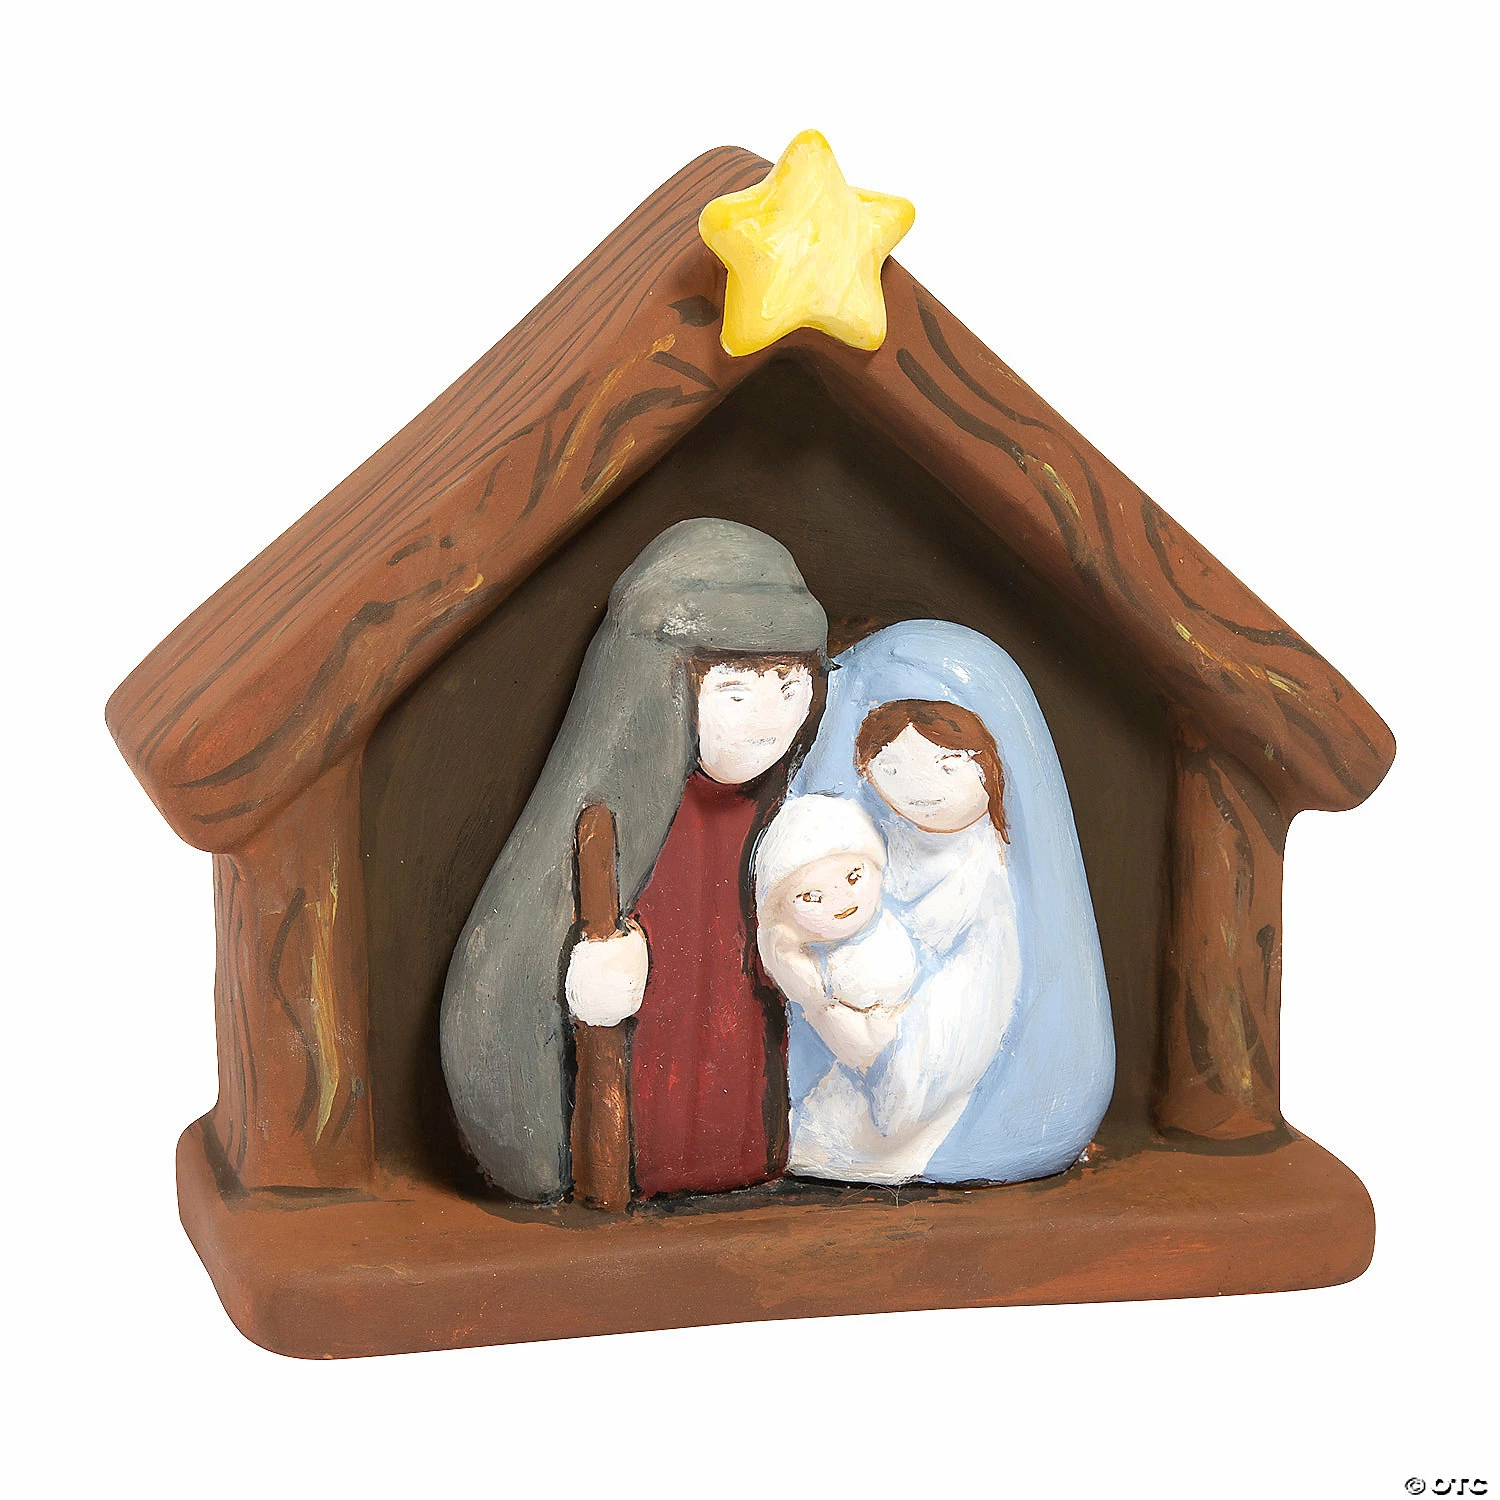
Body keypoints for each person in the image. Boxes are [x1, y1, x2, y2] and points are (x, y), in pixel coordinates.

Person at [440, 518, 827, 1203]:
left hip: (761, 1112)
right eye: (736, 690)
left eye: (789, 687)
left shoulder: (790, 811)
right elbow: (497, 994)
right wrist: (578, 980)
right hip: (643, 1115)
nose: (768, 720)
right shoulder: (618, 820)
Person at [785, 620, 1116, 1186]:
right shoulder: (866, 842)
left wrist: (855, 1033)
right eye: (891, 767)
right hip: (847, 1079)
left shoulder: (990, 893)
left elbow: (950, 1035)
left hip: (918, 1097)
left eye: (948, 764)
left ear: (993, 764)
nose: (921, 790)